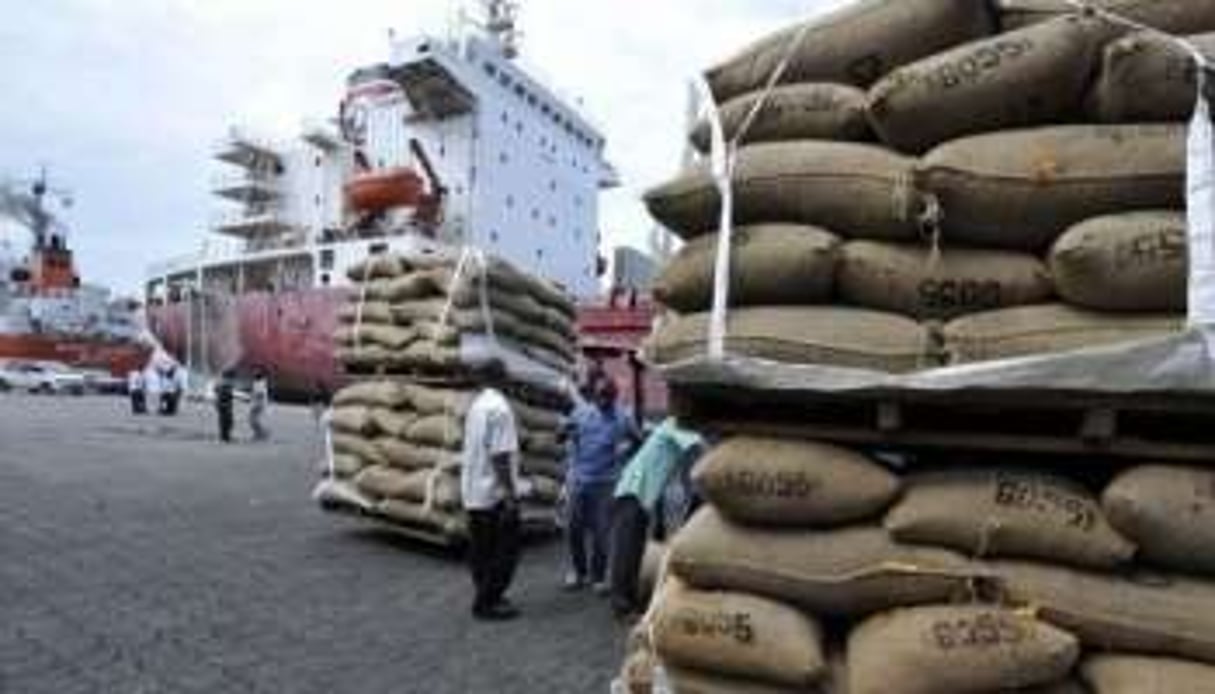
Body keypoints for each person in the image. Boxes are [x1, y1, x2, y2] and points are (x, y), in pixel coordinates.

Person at [608, 417, 704, 617]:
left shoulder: (676, 426)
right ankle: (622, 604)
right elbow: (697, 448)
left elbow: (690, 464)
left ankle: (628, 600)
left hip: (641, 495)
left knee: (634, 549)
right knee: (627, 550)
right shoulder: (678, 423)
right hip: (633, 491)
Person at [564, 375, 640, 593]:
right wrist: (564, 434)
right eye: (600, 396)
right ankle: (579, 572)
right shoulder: (581, 413)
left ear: (615, 397)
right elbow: (565, 434)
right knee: (573, 528)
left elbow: (638, 440)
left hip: (606, 483)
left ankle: (598, 576)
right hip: (579, 480)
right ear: (594, 396)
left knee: (601, 532)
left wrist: (624, 455)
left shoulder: (623, 417)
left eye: (608, 397)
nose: (604, 401)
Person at [460, 362, 523, 621]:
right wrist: (510, 494)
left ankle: (487, 594)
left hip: (473, 491)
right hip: (492, 494)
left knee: (481, 551)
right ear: (502, 379)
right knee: (505, 551)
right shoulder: (500, 409)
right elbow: (500, 455)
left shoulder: (477, 405)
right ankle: (487, 602)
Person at [214, 370, 236, 443]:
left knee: (224, 422)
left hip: (222, 405)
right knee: (227, 422)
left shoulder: (222, 383)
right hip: (225, 406)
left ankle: (224, 437)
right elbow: (228, 395)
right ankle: (225, 437)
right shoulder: (226, 384)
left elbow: (216, 390)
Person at [249, 370, 270, 441]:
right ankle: (260, 433)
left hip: (258, 404)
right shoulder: (259, 383)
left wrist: (252, 398)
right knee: (253, 420)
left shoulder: (259, 384)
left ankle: (262, 433)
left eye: (254, 375)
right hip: (258, 403)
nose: (252, 375)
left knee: (252, 420)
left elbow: (260, 394)